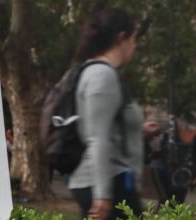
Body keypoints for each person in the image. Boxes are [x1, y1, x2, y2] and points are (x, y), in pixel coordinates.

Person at [68, 8, 145, 220]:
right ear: (122, 38)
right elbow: (97, 137)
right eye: (134, 38)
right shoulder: (102, 75)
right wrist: (102, 196)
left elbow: (107, 128)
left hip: (111, 180)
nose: (135, 45)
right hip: (107, 183)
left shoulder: (103, 74)